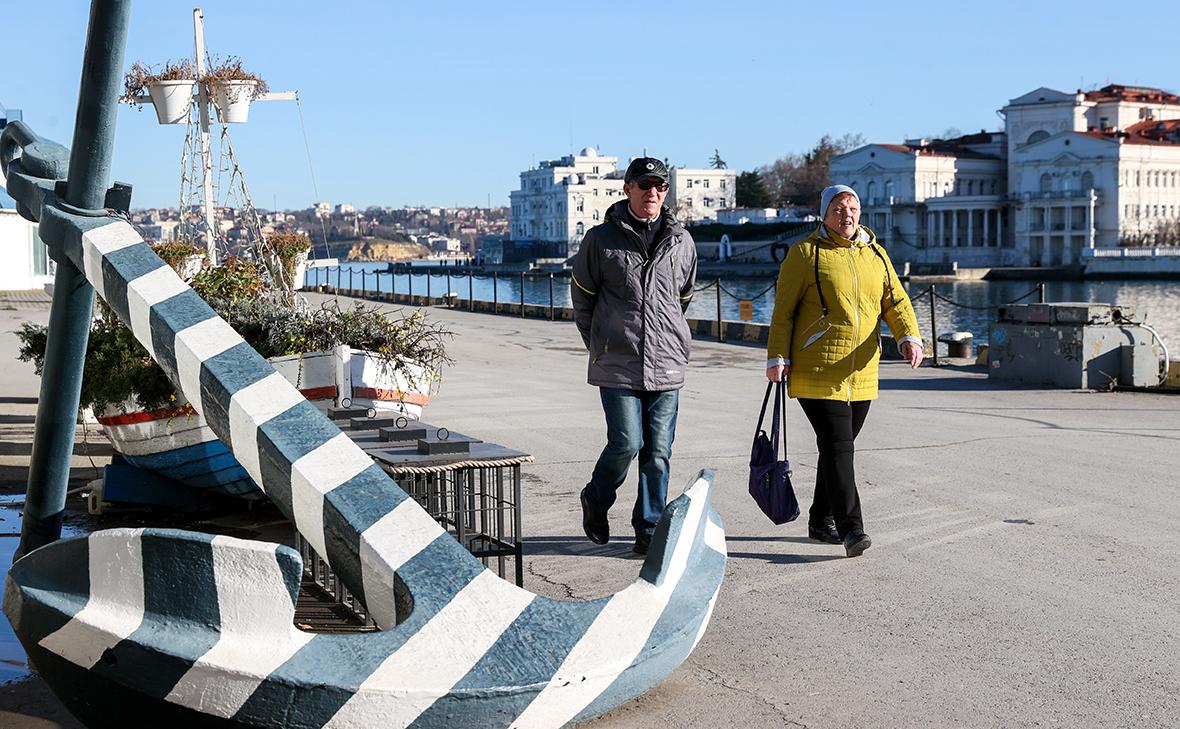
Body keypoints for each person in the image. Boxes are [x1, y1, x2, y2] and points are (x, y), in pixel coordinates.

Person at [765, 184, 923, 557]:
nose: (847, 215)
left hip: (863, 371)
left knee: (836, 450)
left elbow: (895, 301)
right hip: (817, 370)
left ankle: (821, 520)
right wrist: (777, 357)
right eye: (838, 208)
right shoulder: (805, 254)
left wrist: (909, 337)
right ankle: (852, 528)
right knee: (839, 446)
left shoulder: (877, 255)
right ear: (824, 214)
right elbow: (783, 311)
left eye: (852, 208)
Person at [570, 156, 698, 555]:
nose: (653, 193)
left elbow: (684, 297)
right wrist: (603, 344)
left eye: (660, 186)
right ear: (627, 189)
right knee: (626, 443)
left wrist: (668, 340)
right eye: (645, 186)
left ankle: (649, 528)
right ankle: (596, 498)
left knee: (658, 452)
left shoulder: (682, 241)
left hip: (667, 364)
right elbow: (583, 303)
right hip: (617, 363)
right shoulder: (599, 240)